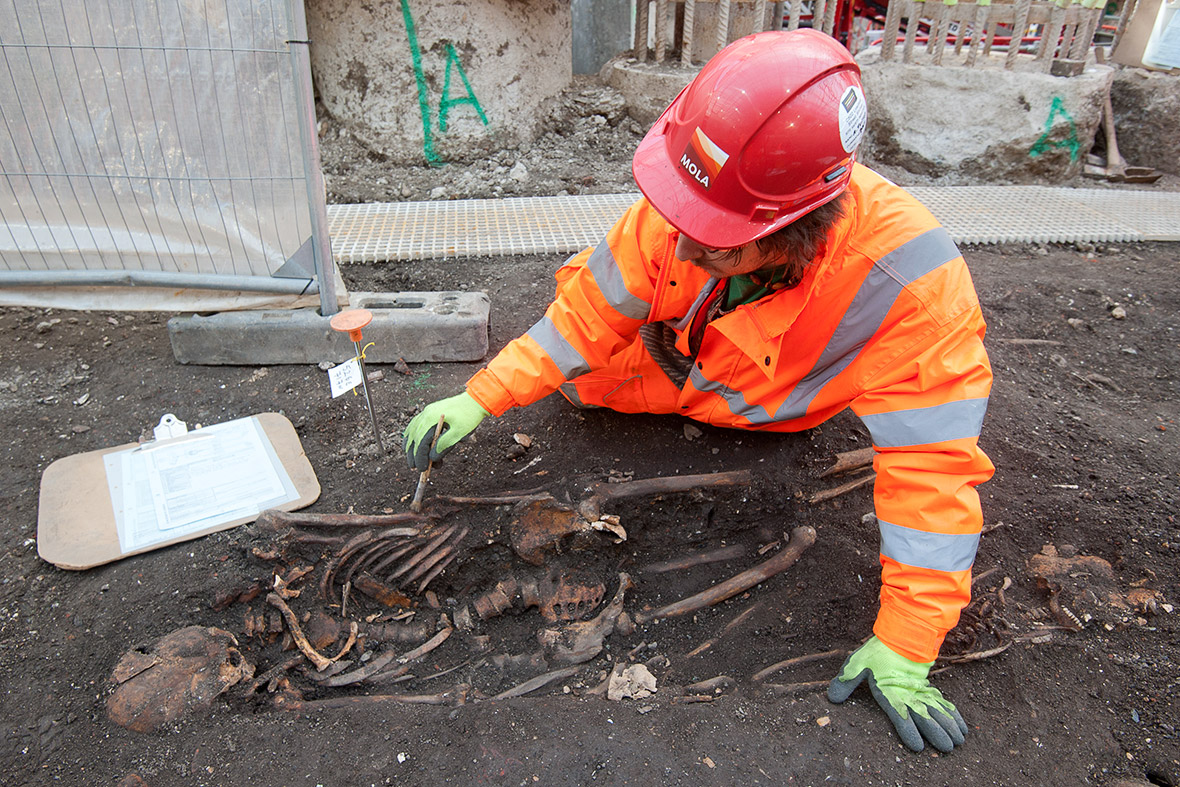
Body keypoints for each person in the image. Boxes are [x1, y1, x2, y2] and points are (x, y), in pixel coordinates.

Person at [403, 28, 993, 754]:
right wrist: (483, 395)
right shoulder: (696, 198)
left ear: (797, 231)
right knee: (582, 373)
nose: (679, 244)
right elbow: (586, 314)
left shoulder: (914, 287)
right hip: (667, 375)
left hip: (775, 407)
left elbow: (934, 474)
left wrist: (908, 640)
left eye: (713, 240)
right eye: (681, 219)